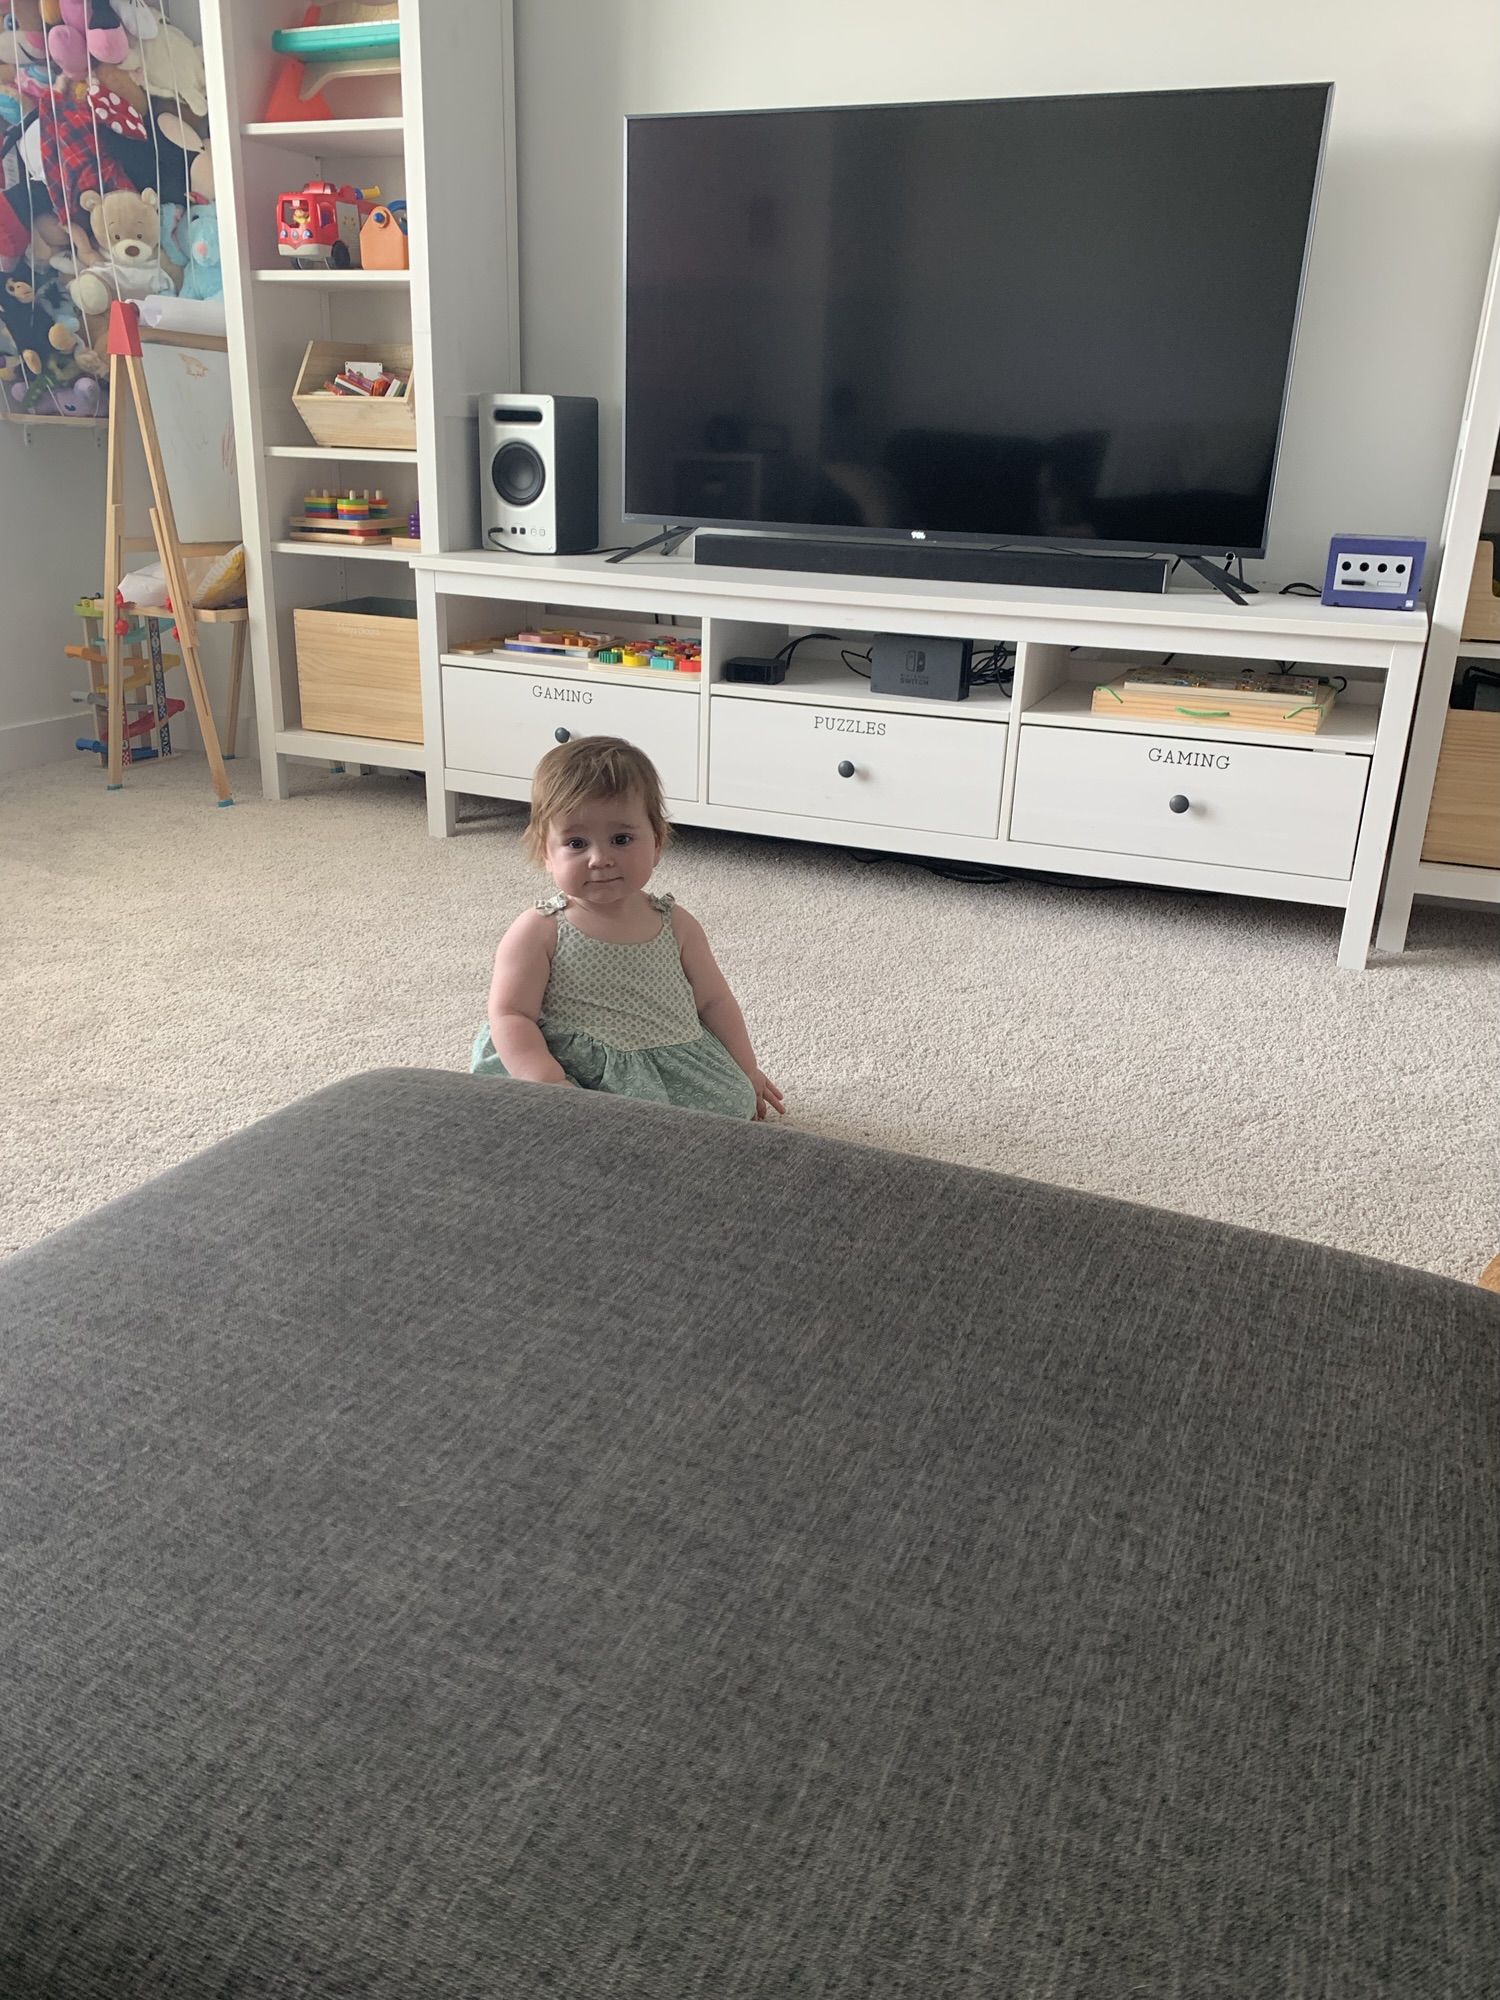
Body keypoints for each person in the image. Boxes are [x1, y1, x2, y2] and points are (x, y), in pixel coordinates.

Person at [472, 736, 784, 1122]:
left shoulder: (677, 925)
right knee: (529, 1119)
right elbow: (511, 1014)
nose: (600, 858)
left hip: (666, 1058)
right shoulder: (539, 930)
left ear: (657, 844)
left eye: (621, 839)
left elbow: (713, 1002)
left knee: (732, 1102)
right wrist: (548, 1081)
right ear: (545, 854)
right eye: (576, 843)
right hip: (572, 1068)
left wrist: (747, 1069)